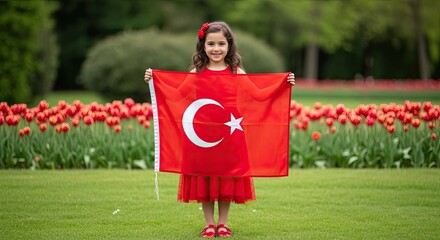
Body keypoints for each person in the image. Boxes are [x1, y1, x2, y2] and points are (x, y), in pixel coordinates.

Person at [144, 21, 295, 238]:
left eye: (221, 44)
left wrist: (283, 84)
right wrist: (154, 81)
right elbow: (177, 94)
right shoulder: (197, 71)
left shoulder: (236, 71)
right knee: (204, 179)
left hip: (230, 135)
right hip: (202, 136)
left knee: (226, 179)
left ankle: (223, 224)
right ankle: (208, 224)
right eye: (211, 44)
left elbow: (258, 95)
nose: (216, 49)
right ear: (203, 46)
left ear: (229, 45)